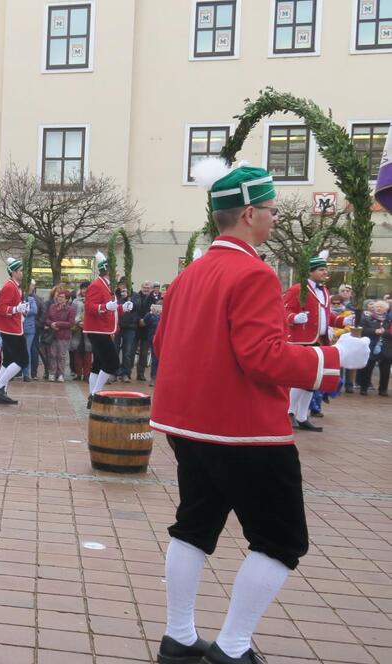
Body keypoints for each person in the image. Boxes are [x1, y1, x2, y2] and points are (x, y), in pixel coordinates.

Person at [150, 159, 371, 664]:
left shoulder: (191, 273)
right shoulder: (253, 272)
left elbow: (165, 343)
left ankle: (179, 637)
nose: (274, 218)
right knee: (281, 540)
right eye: (270, 209)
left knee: (194, 528)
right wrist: (335, 357)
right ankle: (232, 647)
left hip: (187, 426)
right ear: (248, 213)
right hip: (245, 431)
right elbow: (263, 357)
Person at [284, 251, 339, 432]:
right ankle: (289, 412)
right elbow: (283, 311)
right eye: (321, 269)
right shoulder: (297, 289)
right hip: (303, 340)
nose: (325, 272)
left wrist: (339, 321)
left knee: (313, 381)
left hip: (320, 341)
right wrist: (294, 318)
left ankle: (302, 416)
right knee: (301, 378)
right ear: (311, 271)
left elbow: (325, 313)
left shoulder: (324, 290)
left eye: (325, 269)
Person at [83, 252, 132, 405]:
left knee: (98, 364)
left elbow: (111, 309)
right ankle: (96, 394)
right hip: (98, 330)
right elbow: (89, 306)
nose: (117, 272)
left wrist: (122, 307)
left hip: (103, 329)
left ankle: (93, 395)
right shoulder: (97, 285)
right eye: (114, 269)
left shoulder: (107, 285)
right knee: (112, 364)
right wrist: (105, 306)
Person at [0, 257, 29, 405]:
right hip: (11, 329)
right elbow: (1, 309)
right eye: (20, 271)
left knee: (8, 360)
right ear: (13, 272)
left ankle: (1, 393)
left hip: (12, 327)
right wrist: (16, 309)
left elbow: (11, 307)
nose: (22, 273)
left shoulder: (13, 286)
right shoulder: (9, 286)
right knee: (22, 360)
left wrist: (21, 309)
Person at [357, 299, 392, 396]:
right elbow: (362, 330)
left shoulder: (389, 320)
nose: (379, 308)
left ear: (386, 310)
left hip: (386, 348)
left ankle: (383, 390)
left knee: (385, 370)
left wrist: (384, 332)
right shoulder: (367, 318)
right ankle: (364, 388)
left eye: (381, 307)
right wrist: (374, 331)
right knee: (367, 368)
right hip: (371, 346)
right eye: (377, 307)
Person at [45, 285, 74, 382]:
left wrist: (57, 324)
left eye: (61, 297)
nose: (59, 298)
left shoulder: (70, 309)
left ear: (67, 299)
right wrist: (51, 324)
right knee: (52, 354)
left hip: (64, 336)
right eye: (58, 297)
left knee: (61, 355)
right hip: (53, 334)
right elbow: (47, 318)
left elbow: (71, 323)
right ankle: (52, 373)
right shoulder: (52, 307)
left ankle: (61, 374)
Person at [21, 279, 41, 381]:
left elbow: (35, 310)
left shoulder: (31, 299)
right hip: (18, 327)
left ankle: (26, 373)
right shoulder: (17, 299)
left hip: (29, 328)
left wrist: (24, 310)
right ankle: (15, 371)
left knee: (27, 350)